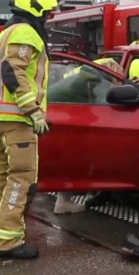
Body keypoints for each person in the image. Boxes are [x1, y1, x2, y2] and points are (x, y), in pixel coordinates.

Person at [0, 0, 61, 259]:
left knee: (4, 173)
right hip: (16, 118)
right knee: (22, 178)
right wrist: (33, 111)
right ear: (36, 8)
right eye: (47, 13)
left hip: (0, 116)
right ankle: (8, 241)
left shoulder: (8, 32)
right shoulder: (27, 33)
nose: (48, 19)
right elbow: (13, 72)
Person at [51, 57, 125, 215]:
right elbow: (107, 108)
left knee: (14, 166)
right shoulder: (99, 81)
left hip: (47, 115)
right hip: (51, 119)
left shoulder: (87, 76)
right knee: (77, 156)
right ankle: (63, 202)